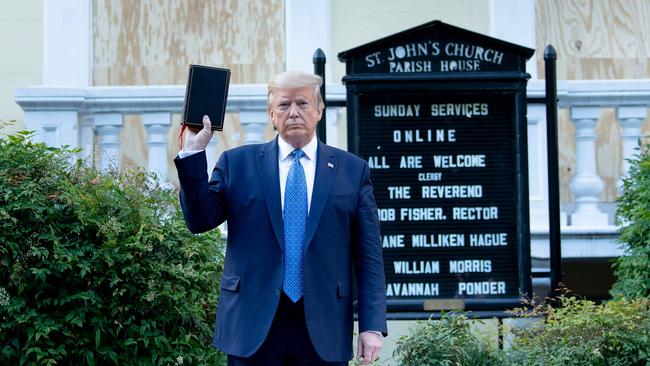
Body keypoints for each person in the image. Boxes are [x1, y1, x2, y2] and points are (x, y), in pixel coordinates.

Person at [175, 71, 387, 365]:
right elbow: (199, 220)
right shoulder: (238, 164)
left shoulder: (352, 171)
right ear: (271, 114)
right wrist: (194, 152)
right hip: (252, 324)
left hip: (324, 325)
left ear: (319, 111)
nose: (294, 113)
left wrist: (371, 326)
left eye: (303, 103)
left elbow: (369, 257)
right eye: (284, 105)